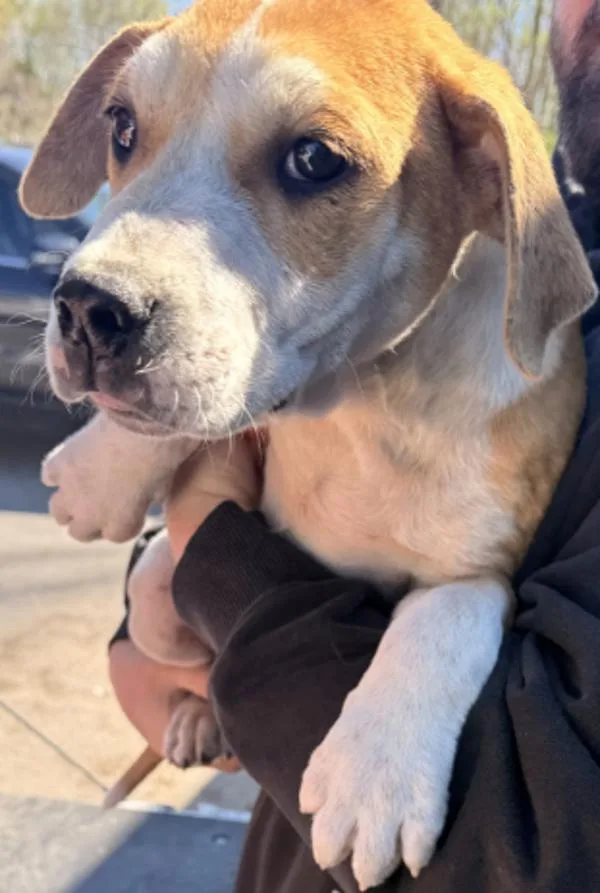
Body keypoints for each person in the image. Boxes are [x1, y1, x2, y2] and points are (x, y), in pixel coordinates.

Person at [109, 3, 600, 890]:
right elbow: (268, 388)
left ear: (489, 180)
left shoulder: (496, 226)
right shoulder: (474, 233)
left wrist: (209, 545)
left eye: (312, 160)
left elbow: (526, 842)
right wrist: (152, 591)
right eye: (123, 126)